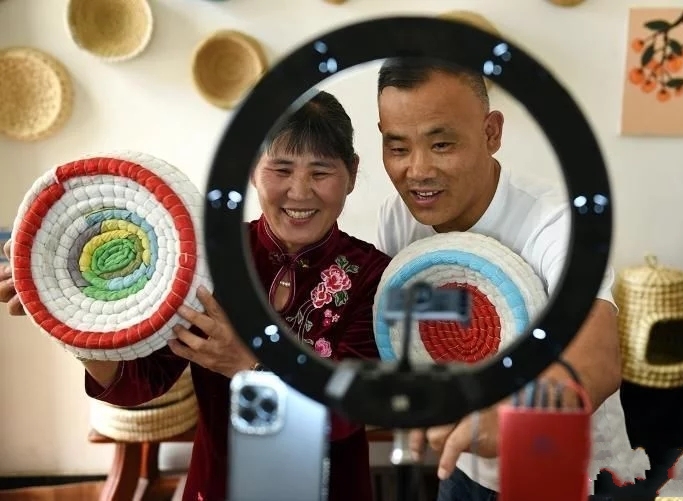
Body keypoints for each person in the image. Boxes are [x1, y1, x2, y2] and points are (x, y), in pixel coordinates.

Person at [0, 90, 391, 501]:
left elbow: (350, 411)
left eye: (320, 172)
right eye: (281, 169)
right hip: (219, 484)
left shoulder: (374, 276)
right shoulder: (209, 258)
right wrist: (67, 319)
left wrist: (247, 366)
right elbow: (141, 383)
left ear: (351, 173)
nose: (299, 191)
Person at [374, 57, 622, 500]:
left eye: (441, 144)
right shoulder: (398, 219)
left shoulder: (557, 223)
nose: (418, 170)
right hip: (463, 466)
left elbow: (598, 358)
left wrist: (511, 413)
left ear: (491, 133)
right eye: (397, 148)